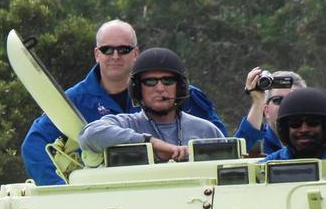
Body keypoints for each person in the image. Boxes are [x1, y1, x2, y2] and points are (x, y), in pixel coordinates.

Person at [19, 20, 225, 184]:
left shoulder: (182, 96)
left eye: (124, 49)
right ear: (96, 54)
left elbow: (225, 146)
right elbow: (35, 145)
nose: (115, 56)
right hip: (110, 198)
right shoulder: (74, 100)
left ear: (136, 53)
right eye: (107, 50)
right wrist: (61, 190)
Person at [77, 48, 224, 161]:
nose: (160, 88)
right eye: (150, 82)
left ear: (179, 86)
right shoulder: (127, 124)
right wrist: (150, 143)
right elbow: (88, 135)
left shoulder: (206, 131)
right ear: (137, 89)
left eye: (168, 81)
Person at [234, 67, 306, 157]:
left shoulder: (316, 139)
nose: (286, 105)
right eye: (278, 100)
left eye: (294, 100)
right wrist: (258, 101)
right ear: (266, 110)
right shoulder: (260, 143)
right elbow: (236, 156)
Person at [264, 87, 326, 161]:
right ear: (285, 130)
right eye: (295, 124)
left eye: (312, 123)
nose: (304, 129)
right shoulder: (268, 165)